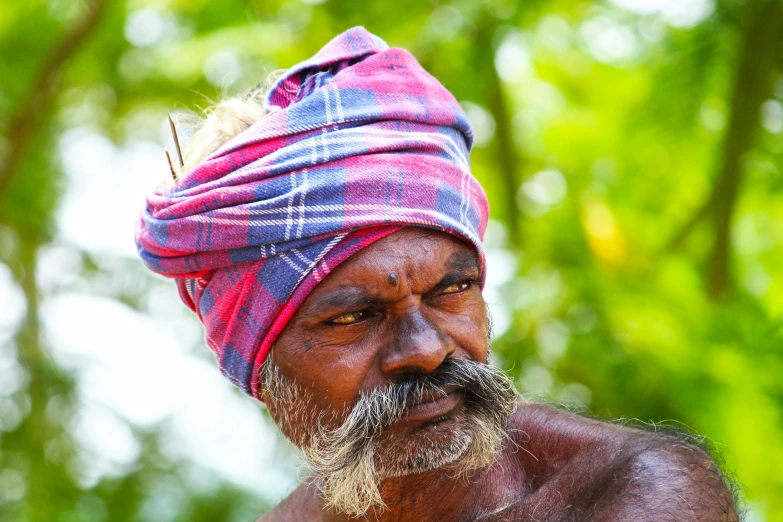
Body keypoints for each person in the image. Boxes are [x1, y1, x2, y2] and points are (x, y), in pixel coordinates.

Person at [136, 27, 739, 521]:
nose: (424, 350)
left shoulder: (633, 497)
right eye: (354, 316)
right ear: (261, 367)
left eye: (452, 290)